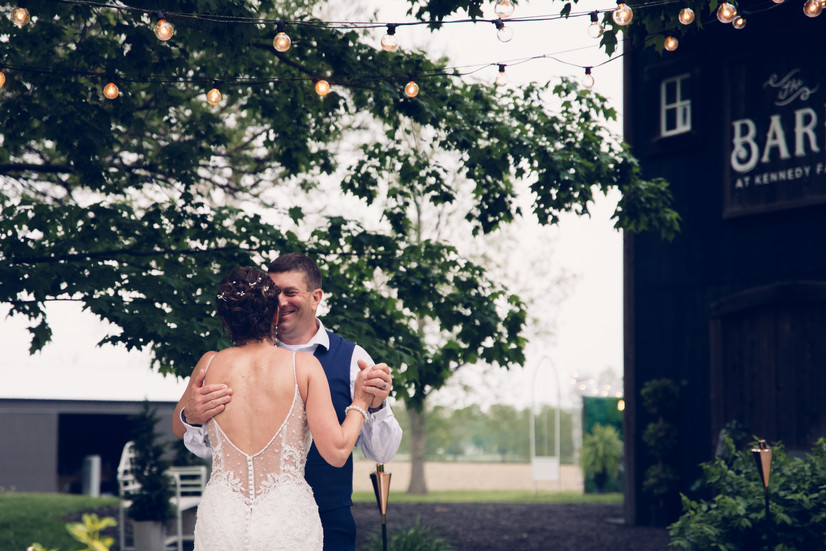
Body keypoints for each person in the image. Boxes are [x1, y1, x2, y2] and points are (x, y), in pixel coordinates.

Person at [173, 253, 403, 551]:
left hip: (323, 519)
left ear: (315, 297)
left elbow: (382, 452)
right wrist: (188, 416)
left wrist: (377, 405)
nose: (281, 301)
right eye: (274, 293)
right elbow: (196, 438)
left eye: (290, 292)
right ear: (266, 307)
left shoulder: (354, 359)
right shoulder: (301, 367)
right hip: (265, 520)